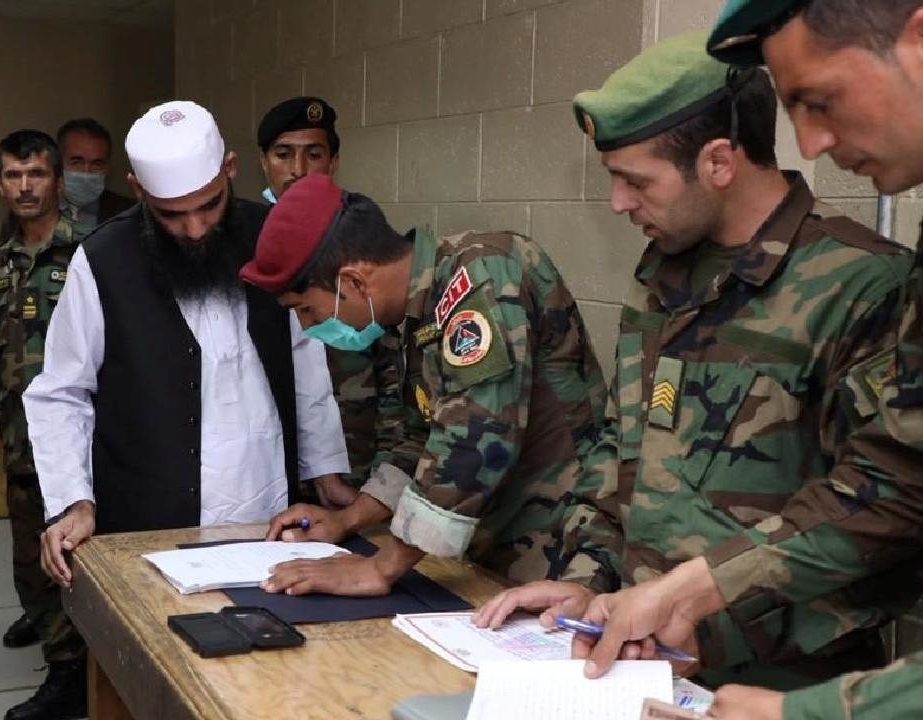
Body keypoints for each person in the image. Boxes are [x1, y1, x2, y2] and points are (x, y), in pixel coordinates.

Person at [473, 27, 920, 694]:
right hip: (634, 661)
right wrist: (585, 583)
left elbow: (881, 513)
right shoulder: (662, 276)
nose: (619, 203)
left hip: (778, 689)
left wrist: (698, 620)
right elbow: (625, 455)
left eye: (634, 180)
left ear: (717, 162)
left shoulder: (863, 285)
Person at [26, 100, 350, 588]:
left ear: (230, 170)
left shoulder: (271, 235)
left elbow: (305, 359)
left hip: (268, 508)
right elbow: (62, 392)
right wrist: (74, 500)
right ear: (138, 191)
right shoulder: (102, 261)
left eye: (210, 205)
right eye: (172, 215)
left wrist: (324, 467)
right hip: (149, 521)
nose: (196, 229)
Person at [241, 172, 609, 592]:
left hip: (562, 550)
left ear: (354, 283)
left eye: (306, 309)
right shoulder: (418, 316)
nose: (308, 327)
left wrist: (381, 568)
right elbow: (423, 439)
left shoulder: (480, 276)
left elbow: (476, 436)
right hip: (496, 550)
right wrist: (348, 519)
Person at [0, 129, 85, 720]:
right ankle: (52, 635)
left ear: (57, 179)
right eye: (13, 175)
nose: (25, 186)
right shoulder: (0, 261)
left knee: (80, 558)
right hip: (19, 438)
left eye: (36, 173)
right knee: (27, 556)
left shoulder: (90, 251)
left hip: (84, 442)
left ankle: (73, 677)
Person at [257, 96, 398, 505]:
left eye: (313, 154)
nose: (298, 170)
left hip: (361, 451)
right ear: (264, 162)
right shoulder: (246, 245)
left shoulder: (360, 234)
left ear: (333, 162)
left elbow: (393, 362)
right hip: (279, 463)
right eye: (284, 155)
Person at [55, 117, 132, 237]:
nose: (86, 172)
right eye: (77, 162)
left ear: (108, 168)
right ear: (58, 163)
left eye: (97, 164)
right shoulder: (38, 207)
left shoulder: (128, 214)